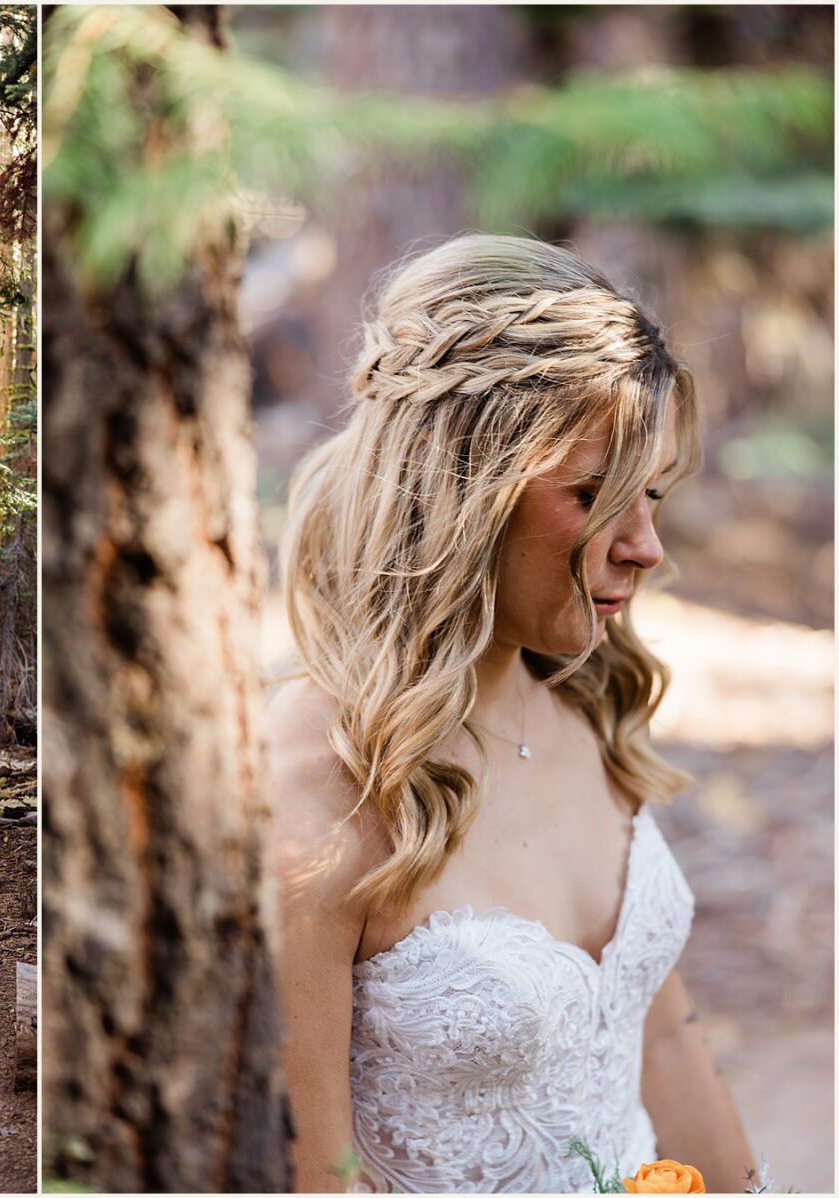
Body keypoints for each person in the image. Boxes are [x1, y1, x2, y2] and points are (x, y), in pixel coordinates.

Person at [266, 234, 756, 1192]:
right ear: (463, 491)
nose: (647, 546)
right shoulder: (309, 799)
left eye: (652, 495)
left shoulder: (590, 698)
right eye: (596, 496)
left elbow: (658, 1035)